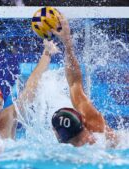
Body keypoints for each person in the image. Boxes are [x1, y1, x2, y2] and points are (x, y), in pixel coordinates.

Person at [50, 14, 117, 147]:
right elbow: (75, 81)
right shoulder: (95, 124)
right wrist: (67, 44)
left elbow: (74, 81)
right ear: (82, 121)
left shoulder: (64, 150)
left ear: (58, 135)